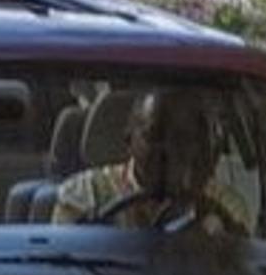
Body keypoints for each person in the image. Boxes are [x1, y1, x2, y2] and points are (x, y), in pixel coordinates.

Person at [52, 89, 252, 235]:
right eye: (155, 136)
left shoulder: (223, 204)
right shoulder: (84, 195)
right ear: (128, 139)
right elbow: (64, 267)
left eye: (182, 139)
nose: (168, 150)